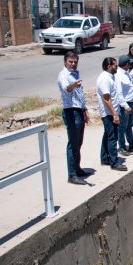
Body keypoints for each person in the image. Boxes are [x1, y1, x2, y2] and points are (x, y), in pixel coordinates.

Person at [57, 51, 90, 185]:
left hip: (78, 110)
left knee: (79, 142)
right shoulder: (64, 75)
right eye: (70, 61)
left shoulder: (76, 73)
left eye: (75, 61)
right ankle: (72, 175)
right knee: (73, 143)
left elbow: (79, 95)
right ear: (65, 62)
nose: (73, 64)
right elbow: (67, 88)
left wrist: (84, 110)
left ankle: (77, 168)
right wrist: (73, 85)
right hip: (70, 111)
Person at [96, 57, 131, 171]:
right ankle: (114, 162)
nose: (117, 67)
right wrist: (114, 114)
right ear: (108, 66)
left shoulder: (110, 77)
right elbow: (106, 98)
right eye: (115, 65)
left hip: (112, 112)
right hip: (109, 113)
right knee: (113, 137)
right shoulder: (105, 79)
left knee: (107, 135)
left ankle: (105, 157)